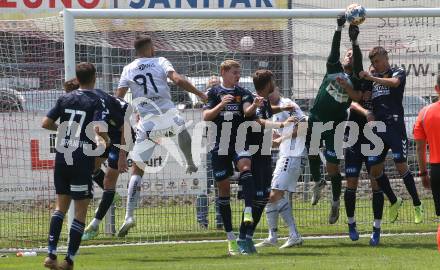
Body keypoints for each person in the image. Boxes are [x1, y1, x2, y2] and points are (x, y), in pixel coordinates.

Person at [115, 35, 207, 237]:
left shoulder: (128, 68)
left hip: (147, 122)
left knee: (137, 170)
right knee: (182, 129)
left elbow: (118, 97)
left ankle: (129, 215)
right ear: (150, 48)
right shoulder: (160, 61)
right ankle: (190, 161)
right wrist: (200, 94)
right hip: (167, 114)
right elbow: (178, 79)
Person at [42, 62, 109, 270]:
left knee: (59, 208)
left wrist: (63, 131)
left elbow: (45, 123)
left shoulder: (64, 98)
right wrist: (106, 142)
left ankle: (51, 255)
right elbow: (98, 128)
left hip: (62, 157)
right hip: (81, 159)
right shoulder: (97, 100)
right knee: (80, 212)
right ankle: (69, 260)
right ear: (94, 77)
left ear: (77, 79)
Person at [305, 16, 363, 225]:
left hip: (336, 126)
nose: (349, 56)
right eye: (347, 54)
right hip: (316, 119)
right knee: (311, 151)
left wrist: (355, 42)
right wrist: (339, 29)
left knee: (333, 167)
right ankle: (317, 182)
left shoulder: (356, 80)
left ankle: (336, 201)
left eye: (352, 55)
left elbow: (357, 88)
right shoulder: (333, 68)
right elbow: (334, 50)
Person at [360, 46, 423, 224]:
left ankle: (418, 204)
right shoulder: (372, 80)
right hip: (378, 128)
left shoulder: (397, 71)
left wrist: (372, 77)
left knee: (400, 164)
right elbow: (366, 99)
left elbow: (395, 83)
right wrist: (368, 108)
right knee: (374, 170)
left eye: (377, 61)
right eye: (372, 63)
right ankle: (394, 200)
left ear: (385, 58)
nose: (375, 65)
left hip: (394, 126)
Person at [236, 70, 295, 254]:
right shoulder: (250, 98)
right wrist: (281, 125)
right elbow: (257, 120)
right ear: (268, 82)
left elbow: (268, 111)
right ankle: (242, 237)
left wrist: (284, 109)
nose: (275, 83)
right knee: (254, 197)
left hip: (264, 152)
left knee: (263, 197)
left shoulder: (266, 101)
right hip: (251, 153)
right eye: (273, 81)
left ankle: (247, 236)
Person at [343, 65, 398, 246]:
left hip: (373, 139)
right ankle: (351, 224)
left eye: (377, 69)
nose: (374, 72)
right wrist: (365, 111)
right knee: (352, 183)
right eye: (372, 68)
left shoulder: (383, 89)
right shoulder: (361, 81)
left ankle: (376, 230)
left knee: (376, 182)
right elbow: (350, 101)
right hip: (353, 137)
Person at [255, 86, 305, 249]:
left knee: (275, 194)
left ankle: (294, 235)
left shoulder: (288, 104)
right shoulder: (273, 110)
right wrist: (277, 136)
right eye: (265, 93)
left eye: (271, 91)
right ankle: (273, 236)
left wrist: (282, 137)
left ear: (277, 89)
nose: (269, 95)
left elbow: (304, 126)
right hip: (285, 155)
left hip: (292, 156)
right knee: (272, 196)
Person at [413, 74, 440, 250]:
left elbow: (420, 148)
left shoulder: (424, 113)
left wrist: (423, 173)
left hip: (437, 169)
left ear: (437, 89)